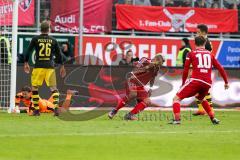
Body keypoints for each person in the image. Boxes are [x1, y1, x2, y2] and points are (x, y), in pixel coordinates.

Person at [170, 36, 229, 125]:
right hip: (207, 83)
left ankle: (177, 120)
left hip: (196, 80)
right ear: (205, 43)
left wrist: (183, 83)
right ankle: (213, 118)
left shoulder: (191, 53)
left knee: (176, 99)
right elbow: (220, 68)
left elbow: (186, 70)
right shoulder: (210, 54)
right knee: (200, 98)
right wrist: (226, 82)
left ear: (195, 43)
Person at [24, 21, 66, 116]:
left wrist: (26, 62)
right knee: (53, 88)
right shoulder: (53, 40)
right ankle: (55, 109)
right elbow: (59, 54)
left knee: (34, 88)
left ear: (40, 29)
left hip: (38, 66)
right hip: (50, 67)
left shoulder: (35, 39)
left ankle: (36, 111)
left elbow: (28, 51)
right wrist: (62, 65)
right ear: (49, 29)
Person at [108, 54, 165, 120]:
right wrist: (148, 66)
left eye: (162, 63)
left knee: (147, 101)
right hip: (132, 79)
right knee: (133, 94)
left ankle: (130, 115)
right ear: (156, 59)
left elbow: (152, 78)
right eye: (161, 62)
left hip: (140, 85)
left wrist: (151, 88)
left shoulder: (157, 68)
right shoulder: (145, 60)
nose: (161, 64)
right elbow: (136, 67)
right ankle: (114, 111)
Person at [193, 24, 213, 116]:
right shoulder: (203, 41)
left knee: (205, 91)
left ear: (204, 32)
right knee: (198, 90)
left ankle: (210, 109)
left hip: (203, 69)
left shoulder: (206, 43)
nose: (197, 34)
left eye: (198, 32)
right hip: (200, 68)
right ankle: (201, 109)